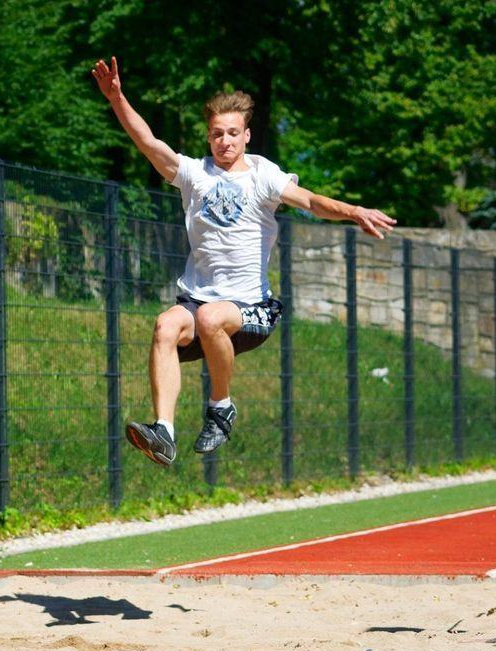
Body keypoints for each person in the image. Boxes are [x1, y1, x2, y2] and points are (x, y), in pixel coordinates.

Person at [90, 56, 396, 465]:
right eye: (217, 134)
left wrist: (354, 211)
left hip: (251, 309)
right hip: (198, 299)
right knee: (166, 324)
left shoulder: (263, 175)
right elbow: (148, 142)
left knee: (211, 317)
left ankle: (221, 407)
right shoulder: (194, 174)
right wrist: (117, 98)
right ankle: (164, 432)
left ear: (247, 135)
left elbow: (310, 202)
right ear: (208, 137)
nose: (225, 141)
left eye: (233, 133)